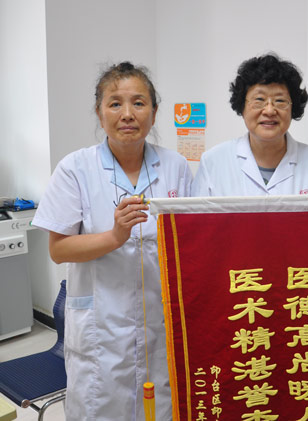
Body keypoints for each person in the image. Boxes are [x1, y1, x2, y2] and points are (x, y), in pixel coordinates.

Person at [32, 62, 193, 420]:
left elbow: (191, 243)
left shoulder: (176, 167)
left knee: (160, 410)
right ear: (99, 112)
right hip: (100, 327)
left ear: (154, 112)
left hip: (160, 322)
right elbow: (58, 250)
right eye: (115, 103)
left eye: (139, 102)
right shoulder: (75, 169)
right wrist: (115, 236)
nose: (128, 114)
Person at [192, 53, 308, 196]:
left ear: (293, 108)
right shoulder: (213, 162)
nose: (269, 110)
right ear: (242, 107)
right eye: (259, 100)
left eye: (280, 101)